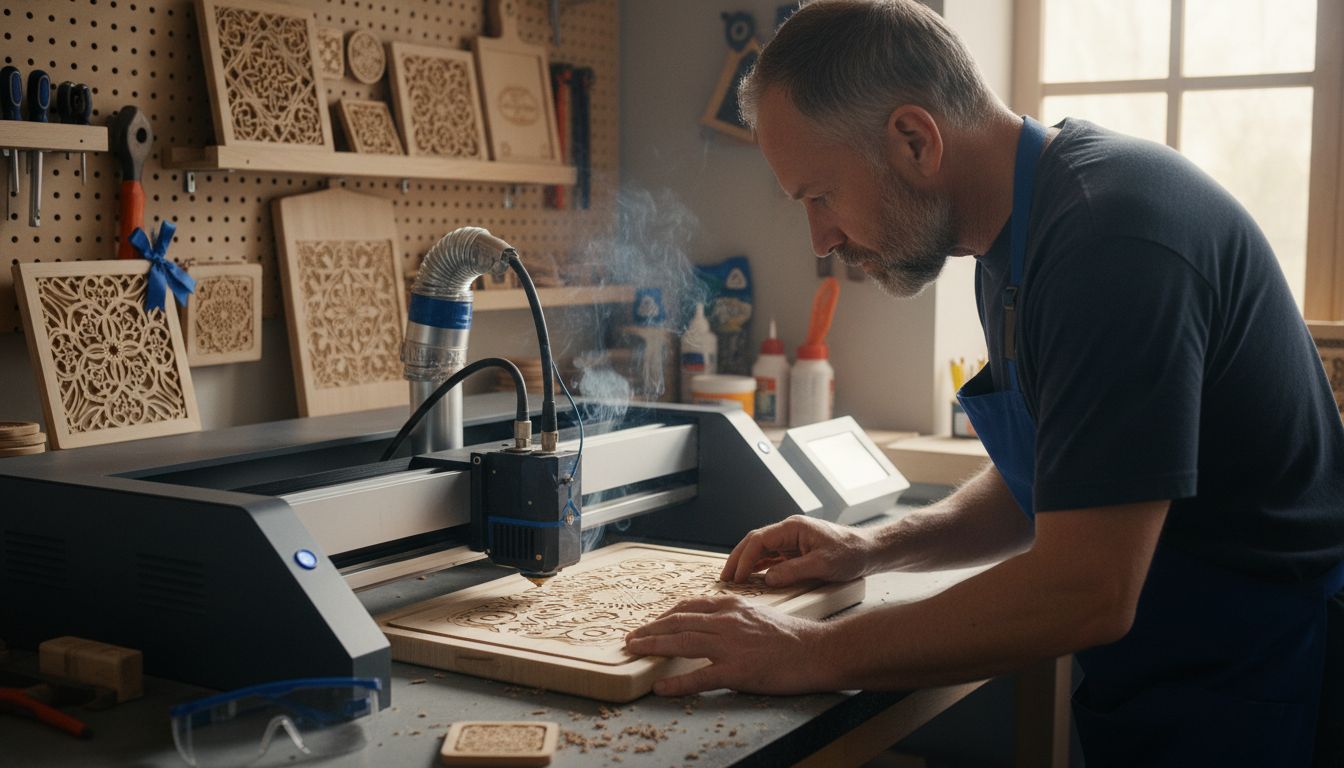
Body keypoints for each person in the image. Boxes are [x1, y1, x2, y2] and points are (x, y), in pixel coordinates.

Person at [623, 1, 1344, 765]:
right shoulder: (1009, 238)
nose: (822, 239)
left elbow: (1086, 588)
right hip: (1175, 678)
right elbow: (1055, 477)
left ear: (914, 139)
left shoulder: (1111, 244)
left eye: (820, 195)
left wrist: (806, 650)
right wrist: (873, 548)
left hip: (1267, 679)